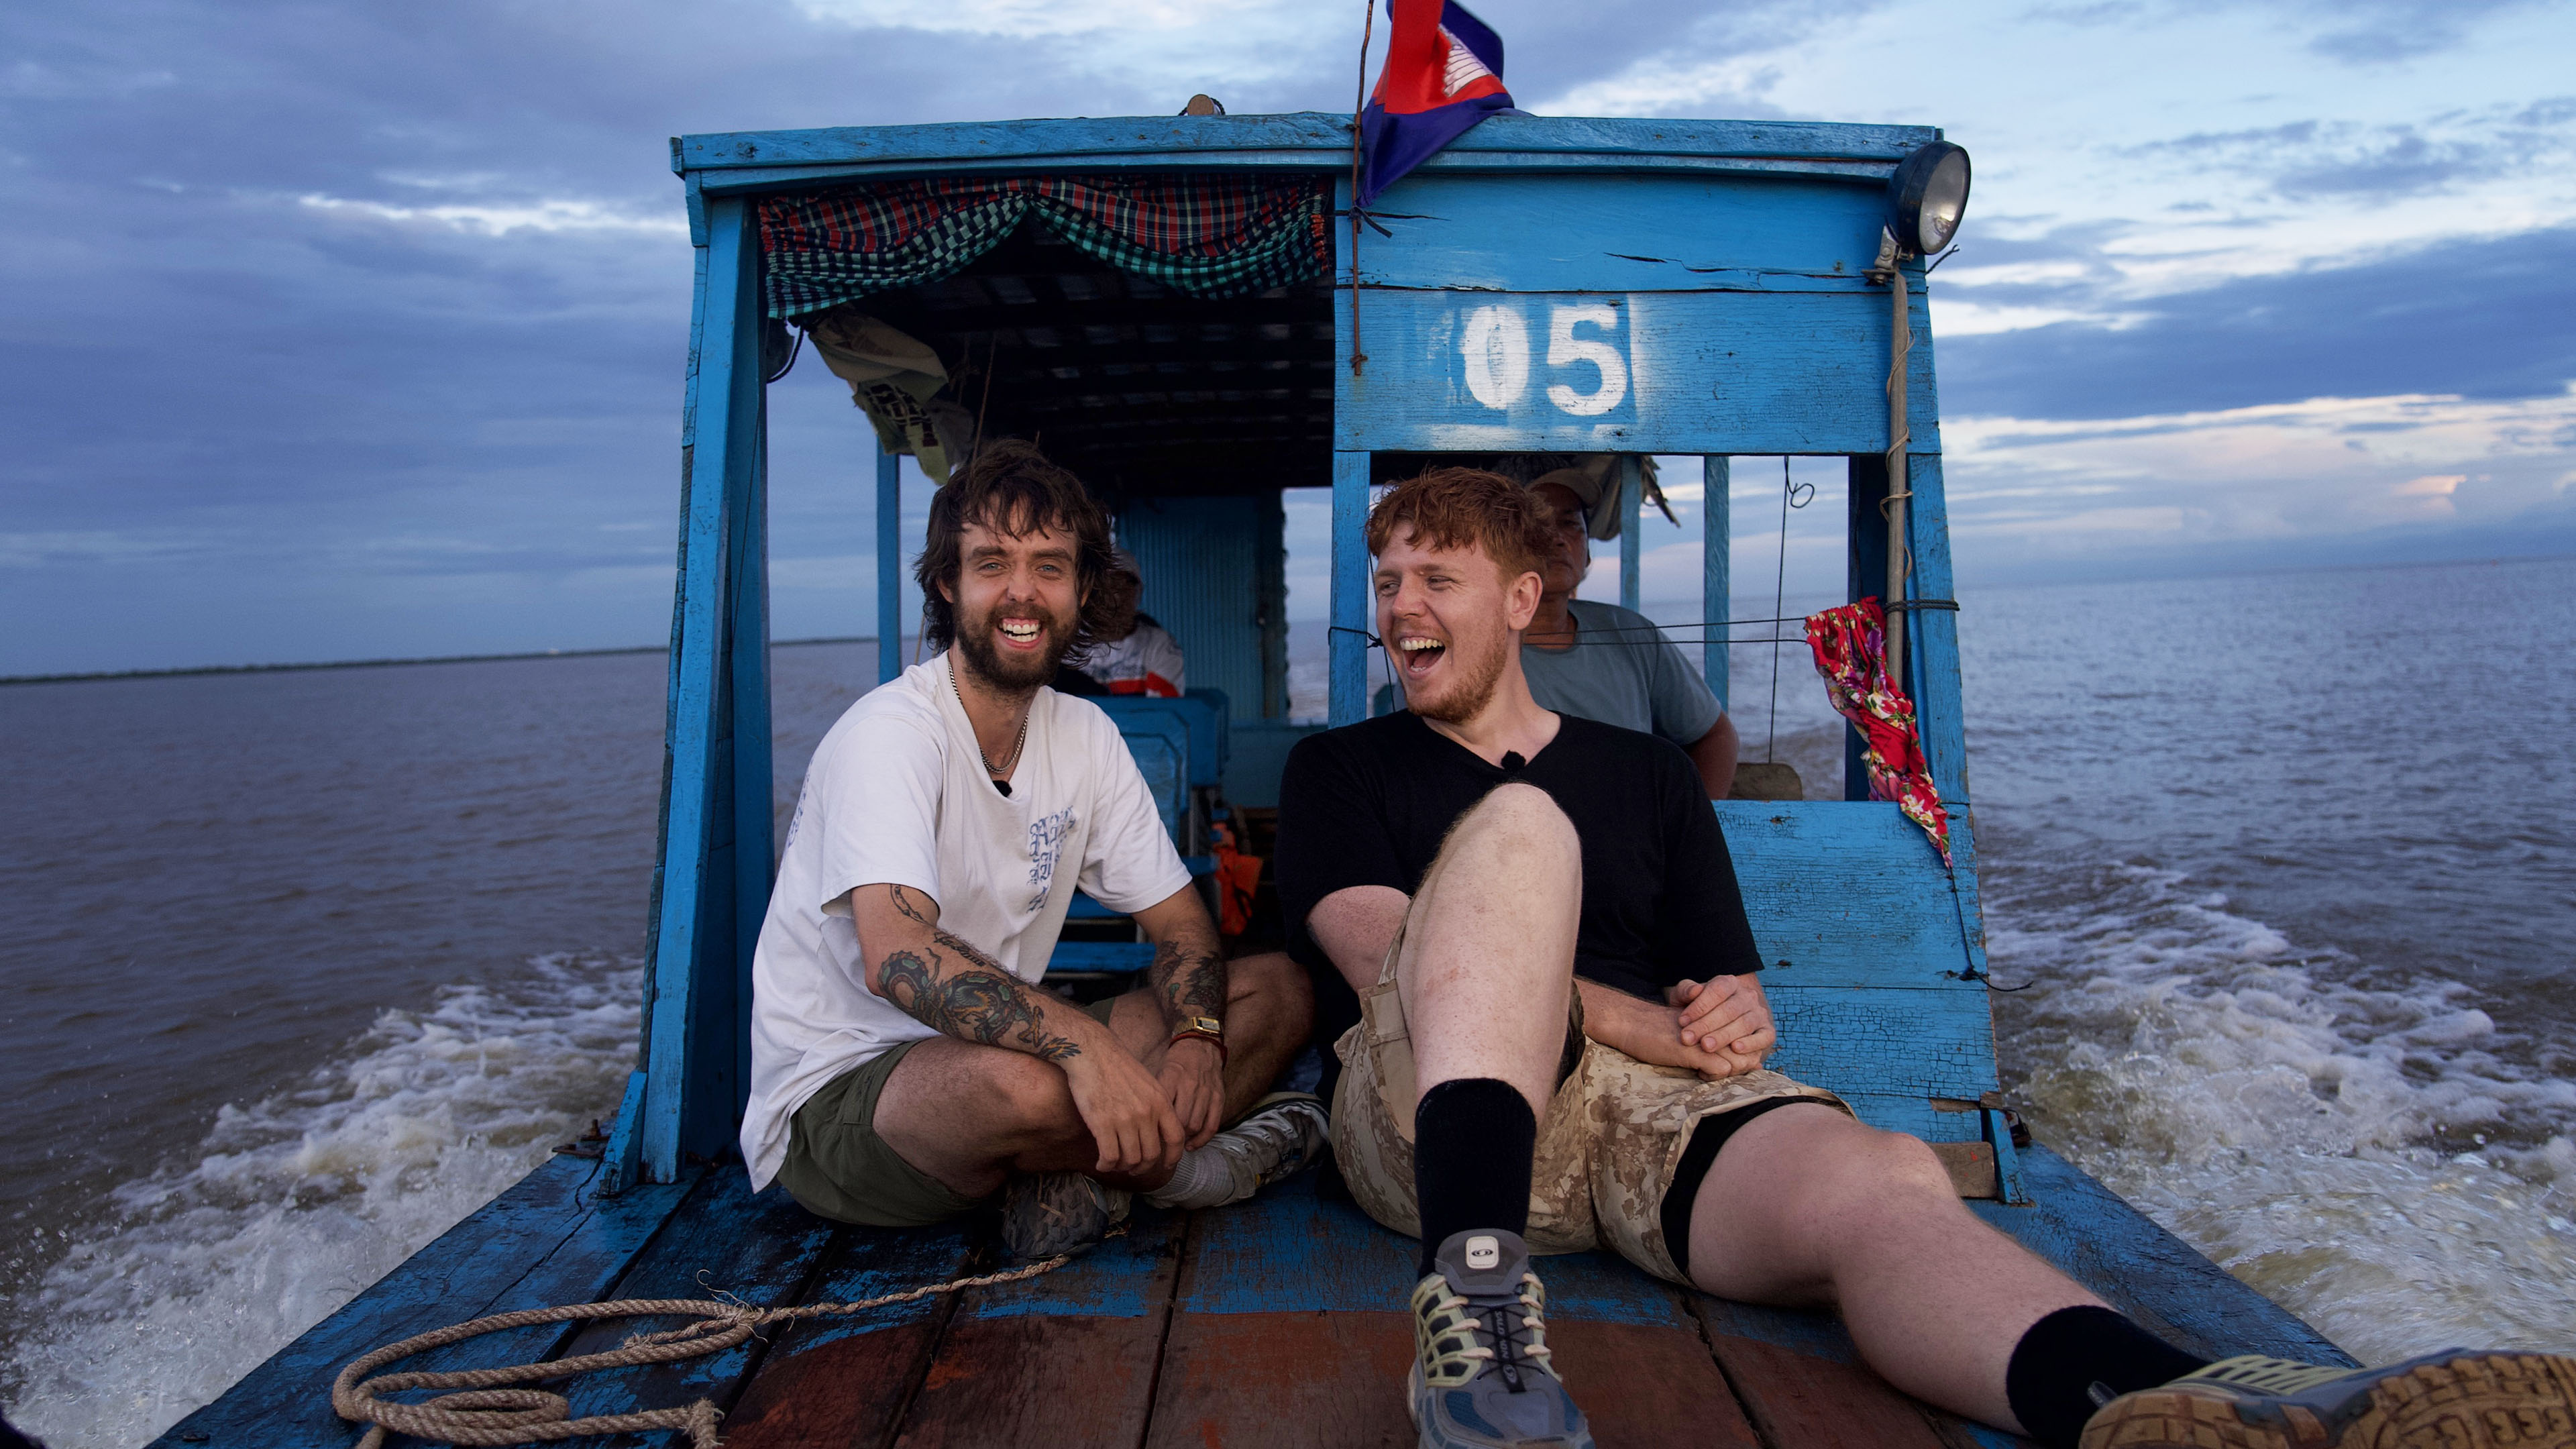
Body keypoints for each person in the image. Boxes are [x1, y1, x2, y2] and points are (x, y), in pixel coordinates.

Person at [1274, 466, 2573, 1449]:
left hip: (1643, 1116)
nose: (1400, 608)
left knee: (1882, 1178)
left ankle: (2162, 1398)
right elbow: (1384, 948)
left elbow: (1716, 983)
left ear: (1520, 599)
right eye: (1386, 581)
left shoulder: (1647, 776)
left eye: (1432, 579)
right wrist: (1640, 1027)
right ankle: (1480, 1315)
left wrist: (1722, 1020)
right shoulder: (1339, 768)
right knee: (1515, 826)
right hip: (1434, 1113)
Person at [741, 439, 1321, 1260]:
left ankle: (1078, 1171)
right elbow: (899, 958)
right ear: (949, 585)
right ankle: (1205, 1168)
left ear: (1082, 591)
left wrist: (1196, 1036)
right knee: (1031, 1087)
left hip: (994, 1046)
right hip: (847, 1095)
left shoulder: (1083, 734)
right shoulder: (890, 735)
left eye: (1050, 566)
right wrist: (1086, 1048)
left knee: (1279, 990)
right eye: (991, 564)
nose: (1022, 591)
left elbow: (1184, 922)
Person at [1517, 466, 1738, 798]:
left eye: (1569, 523)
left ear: (1588, 550)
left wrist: (1691, 833)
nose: (1557, 538)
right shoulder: (1476, 646)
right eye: (1538, 525)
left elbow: (1715, 736)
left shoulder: (1630, 633)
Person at [1073, 547, 1187, 698]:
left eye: (1125, 588)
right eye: (1107, 589)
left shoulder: (1159, 645)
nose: (1117, 598)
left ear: (1136, 593)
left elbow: (1163, 714)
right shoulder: (1069, 646)